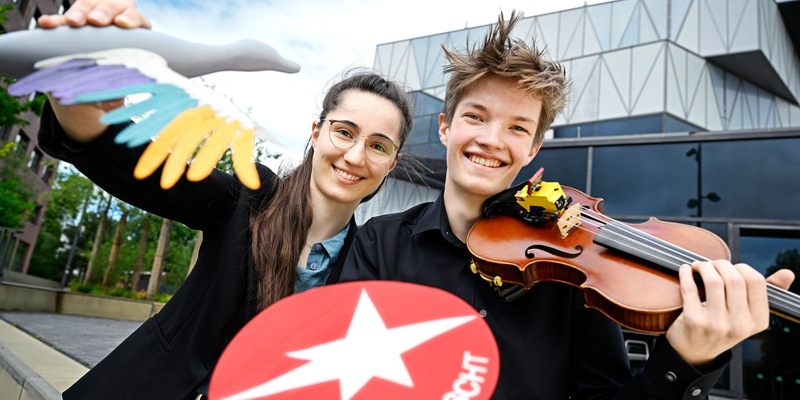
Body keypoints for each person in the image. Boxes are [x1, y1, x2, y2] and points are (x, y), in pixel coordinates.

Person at [339, 11, 796, 399]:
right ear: (445, 127)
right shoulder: (380, 243)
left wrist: (684, 360)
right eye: (476, 117)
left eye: (518, 127)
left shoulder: (569, 275)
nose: (492, 140)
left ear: (533, 148)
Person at [35, 2, 414, 399]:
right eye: (345, 132)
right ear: (317, 132)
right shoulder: (247, 198)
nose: (355, 156)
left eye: (378, 146)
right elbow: (129, 161)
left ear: (392, 163)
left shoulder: (368, 263)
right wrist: (74, 84)